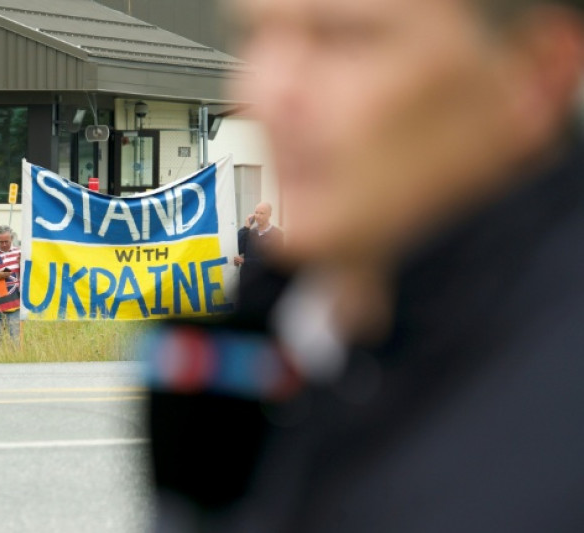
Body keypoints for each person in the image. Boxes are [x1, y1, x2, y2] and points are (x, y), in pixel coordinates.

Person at [145, 0, 584, 531]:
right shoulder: (256, 348)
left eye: (344, 38)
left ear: (537, 71)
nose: (265, 94)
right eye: (254, 35)